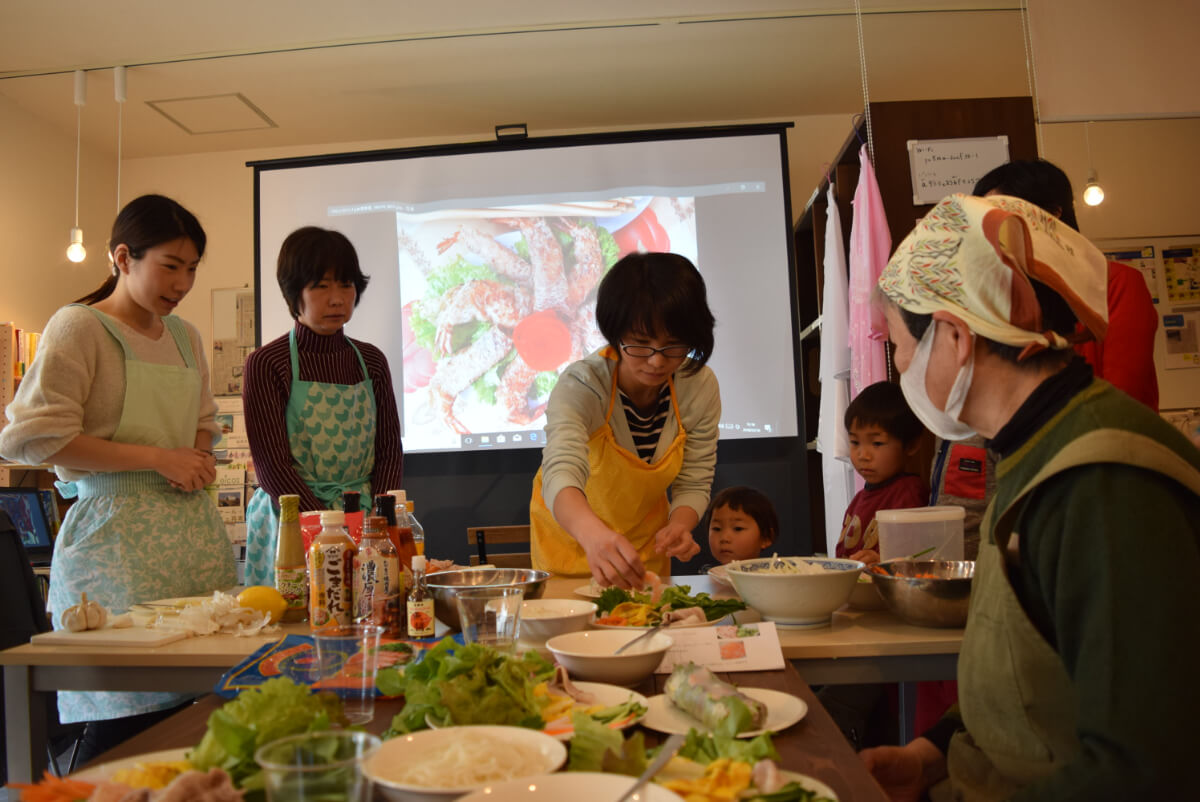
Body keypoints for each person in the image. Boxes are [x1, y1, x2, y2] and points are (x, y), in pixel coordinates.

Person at [860, 193, 1200, 800]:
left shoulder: (1102, 485)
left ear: (955, 336)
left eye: (898, 344)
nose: (899, 362)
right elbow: (1034, 673)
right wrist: (928, 756)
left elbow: (1141, 769)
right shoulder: (1032, 450)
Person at [0, 194, 237, 761]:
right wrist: (159, 459)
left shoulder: (185, 337)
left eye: (192, 269)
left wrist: (197, 455)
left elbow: (206, 421)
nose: (182, 283)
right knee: (124, 716)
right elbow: (32, 437)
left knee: (202, 715)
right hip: (114, 545)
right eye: (171, 266)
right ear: (123, 257)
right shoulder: (79, 327)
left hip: (192, 540)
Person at [530, 252, 720, 589]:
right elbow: (561, 470)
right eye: (641, 344)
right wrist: (593, 536)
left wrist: (680, 524)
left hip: (645, 558)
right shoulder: (583, 385)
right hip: (572, 551)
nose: (657, 361)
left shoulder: (698, 386)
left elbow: (694, 480)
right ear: (615, 334)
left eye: (673, 345)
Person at [242, 227, 403, 586]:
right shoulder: (268, 363)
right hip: (292, 519)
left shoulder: (371, 361)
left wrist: (377, 520)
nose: (337, 299)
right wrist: (325, 529)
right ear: (293, 292)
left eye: (346, 285)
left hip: (365, 520)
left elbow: (389, 450)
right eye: (321, 286)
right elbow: (272, 466)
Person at [837, 381, 927, 564]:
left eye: (877, 443)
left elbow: (912, 559)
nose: (863, 455)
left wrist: (882, 561)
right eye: (855, 442)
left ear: (911, 445)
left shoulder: (908, 493)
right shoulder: (859, 499)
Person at [705, 486, 779, 565]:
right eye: (717, 528)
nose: (724, 538)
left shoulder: (775, 572)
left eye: (738, 528)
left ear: (766, 537)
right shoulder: (707, 572)